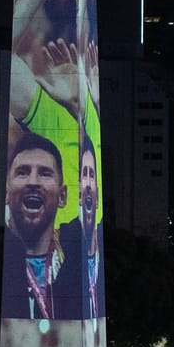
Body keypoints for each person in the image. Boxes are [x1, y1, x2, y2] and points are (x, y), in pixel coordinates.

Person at [2, 133, 76, 320]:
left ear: (62, 196)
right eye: (23, 172)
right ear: (6, 193)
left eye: (44, 173)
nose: (33, 182)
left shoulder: (74, 259)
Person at [55, 135, 103, 319]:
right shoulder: (62, 239)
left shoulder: (101, 244)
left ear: (97, 195)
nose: (88, 184)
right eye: (84, 174)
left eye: (92, 174)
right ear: (79, 193)